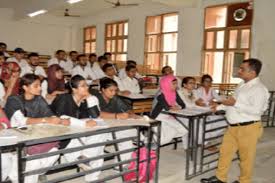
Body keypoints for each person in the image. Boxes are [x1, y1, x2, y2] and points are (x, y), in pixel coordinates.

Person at [201, 59, 269, 183]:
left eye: (242, 69)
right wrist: (219, 107)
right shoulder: (241, 84)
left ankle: (244, 181)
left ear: (252, 72)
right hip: (233, 127)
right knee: (224, 152)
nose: (239, 71)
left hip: (248, 128)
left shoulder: (259, 89)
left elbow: (257, 111)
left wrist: (236, 103)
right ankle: (220, 178)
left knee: (246, 158)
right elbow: (231, 102)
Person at [4, 74, 69, 183]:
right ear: (25, 87)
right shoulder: (13, 100)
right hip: (18, 137)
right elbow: (21, 121)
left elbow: (49, 114)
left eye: (40, 85)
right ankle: (20, 177)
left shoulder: (39, 98)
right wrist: (46, 120)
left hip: (36, 134)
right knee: (34, 160)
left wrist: (60, 120)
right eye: (36, 86)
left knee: (55, 151)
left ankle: (38, 172)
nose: (40, 88)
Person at [51, 75, 107, 182]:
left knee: (100, 139)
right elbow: (61, 120)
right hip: (63, 137)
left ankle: (86, 161)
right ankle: (88, 168)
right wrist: (84, 125)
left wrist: (90, 98)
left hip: (78, 134)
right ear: (74, 89)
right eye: (83, 86)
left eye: (86, 85)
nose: (87, 87)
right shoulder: (64, 98)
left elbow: (95, 116)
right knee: (97, 148)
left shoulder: (85, 100)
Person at [91, 77, 138, 162]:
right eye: (111, 90)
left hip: (114, 124)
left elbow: (127, 109)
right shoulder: (95, 98)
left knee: (131, 135)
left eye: (115, 90)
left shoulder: (114, 98)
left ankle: (120, 165)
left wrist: (131, 114)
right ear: (103, 89)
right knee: (128, 137)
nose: (113, 93)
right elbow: (97, 114)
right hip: (100, 127)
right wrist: (117, 116)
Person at [150, 75, 188, 145]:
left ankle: (153, 139)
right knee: (162, 140)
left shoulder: (174, 92)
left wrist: (178, 107)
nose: (176, 85)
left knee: (184, 130)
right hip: (158, 117)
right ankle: (150, 141)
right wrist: (174, 107)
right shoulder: (160, 94)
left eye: (176, 83)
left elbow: (183, 105)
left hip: (169, 116)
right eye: (174, 84)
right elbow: (167, 107)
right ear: (166, 84)